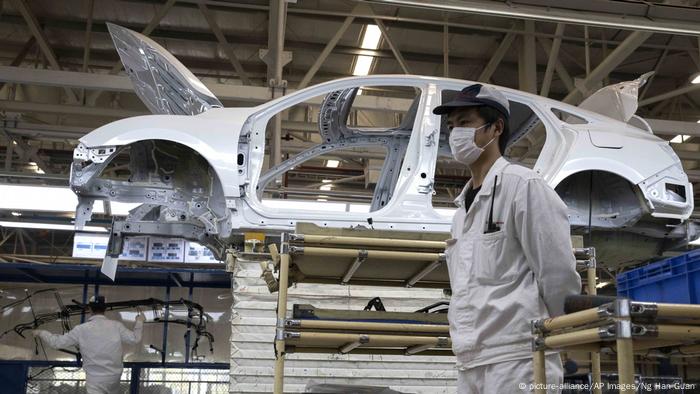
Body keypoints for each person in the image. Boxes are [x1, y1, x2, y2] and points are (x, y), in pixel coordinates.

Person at [432, 84, 581, 394]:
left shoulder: (523, 187)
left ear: (496, 127)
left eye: (464, 122)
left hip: (520, 357)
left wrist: (559, 335)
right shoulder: (462, 211)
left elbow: (556, 271)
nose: (454, 133)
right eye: (451, 126)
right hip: (471, 359)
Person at [32, 296, 145, 394]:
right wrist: (139, 321)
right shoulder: (117, 326)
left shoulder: (81, 329)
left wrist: (41, 333)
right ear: (105, 309)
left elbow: (57, 343)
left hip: (94, 378)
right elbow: (135, 339)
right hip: (114, 377)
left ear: (89, 309)